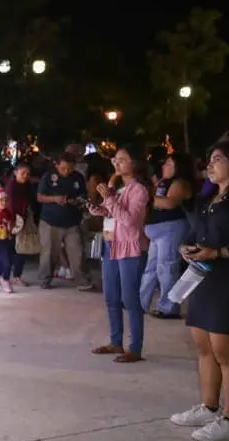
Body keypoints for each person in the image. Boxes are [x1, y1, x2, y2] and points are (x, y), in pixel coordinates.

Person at [169, 139, 229, 441]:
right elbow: (197, 230)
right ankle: (209, 406)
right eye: (209, 160)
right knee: (203, 346)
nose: (210, 165)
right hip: (203, 277)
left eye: (217, 159)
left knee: (227, 351)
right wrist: (187, 245)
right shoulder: (209, 196)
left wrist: (220, 252)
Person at [89, 147, 151, 362]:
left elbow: (129, 221)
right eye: (115, 160)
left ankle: (135, 347)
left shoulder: (139, 190)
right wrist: (99, 206)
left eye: (123, 160)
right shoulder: (121, 188)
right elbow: (111, 213)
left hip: (130, 246)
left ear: (134, 163)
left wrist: (110, 199)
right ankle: (116, 342)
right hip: (111, 244)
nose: (117, 163)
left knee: (129, 298)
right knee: (111, 296)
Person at [140, 152, 195, 319]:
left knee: (167, 268)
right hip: (157, 230)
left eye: (169, 164)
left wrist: (148, 197)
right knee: (151, 268)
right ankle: (140, 302)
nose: (164, 166)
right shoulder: (164, 182)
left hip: (171, 228)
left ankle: (168, 307)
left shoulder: (181, 183)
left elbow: (170, 203)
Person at [36, 153, 93, 290]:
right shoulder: (48, 177)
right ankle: (45, 280)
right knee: (49, 253)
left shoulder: (78, 177)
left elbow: (83, 196)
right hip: (50, 221)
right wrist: (55, 199)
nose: (66, 171)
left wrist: (79, 202)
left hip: (72, 222)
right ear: (57, 165)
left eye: (69, 168)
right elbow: (40, 197)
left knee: (77, 252)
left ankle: (82, 280)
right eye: (63, 168)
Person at [5, 160, 37, 285]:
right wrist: (10, 221)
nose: (25, 176)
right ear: (15, 173)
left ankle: (17, 275)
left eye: (27, 173)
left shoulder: (27, 185)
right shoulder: (11, 187)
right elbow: (9, 205)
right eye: (23, 173)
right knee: (9, 249)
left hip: (24, 220)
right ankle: (4, 275)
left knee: (22, 249)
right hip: (11, 221)